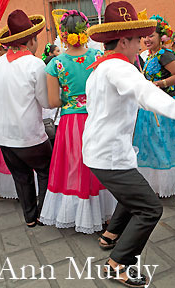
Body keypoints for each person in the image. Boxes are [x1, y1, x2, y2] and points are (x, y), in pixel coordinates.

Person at [83, 2, 175, 286]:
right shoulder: (120, 68)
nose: (142, 43)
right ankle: (118, 263)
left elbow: (137, 98)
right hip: (108, 155)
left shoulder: (101, 68)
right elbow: (143, 91)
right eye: (137, 39)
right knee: (150, 209)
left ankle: (110, 236)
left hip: (104, 151)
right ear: (123, 40)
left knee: (133, 194)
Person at [39, 10, 116, 234]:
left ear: (63, 35)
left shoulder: (56, 64)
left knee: (74, 165)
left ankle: (77, 213)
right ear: (85, 31)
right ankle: (105, 211)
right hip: (96, 117)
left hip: (71, 120)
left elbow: (53, 102)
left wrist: (70, 98)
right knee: (98, 163)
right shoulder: (98, 57)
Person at [0, 9, 52, 227]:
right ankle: (44, 212)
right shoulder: (35, 64)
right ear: (31, 40)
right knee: (45, 170)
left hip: (3, 135)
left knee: (21, 176)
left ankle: (29, 217)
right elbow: (45, 102)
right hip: (28, 134)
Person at [132, 14, 175, 198]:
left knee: (165, 145)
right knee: (151, 146)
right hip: (149, 108)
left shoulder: (165, 54)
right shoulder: (146, 56)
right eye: (145, 37)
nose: (147, 40)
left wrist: (159, 84)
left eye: (151, 36)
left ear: (161, 37)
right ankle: (155, 184)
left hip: (164, 108)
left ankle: (169, 184)